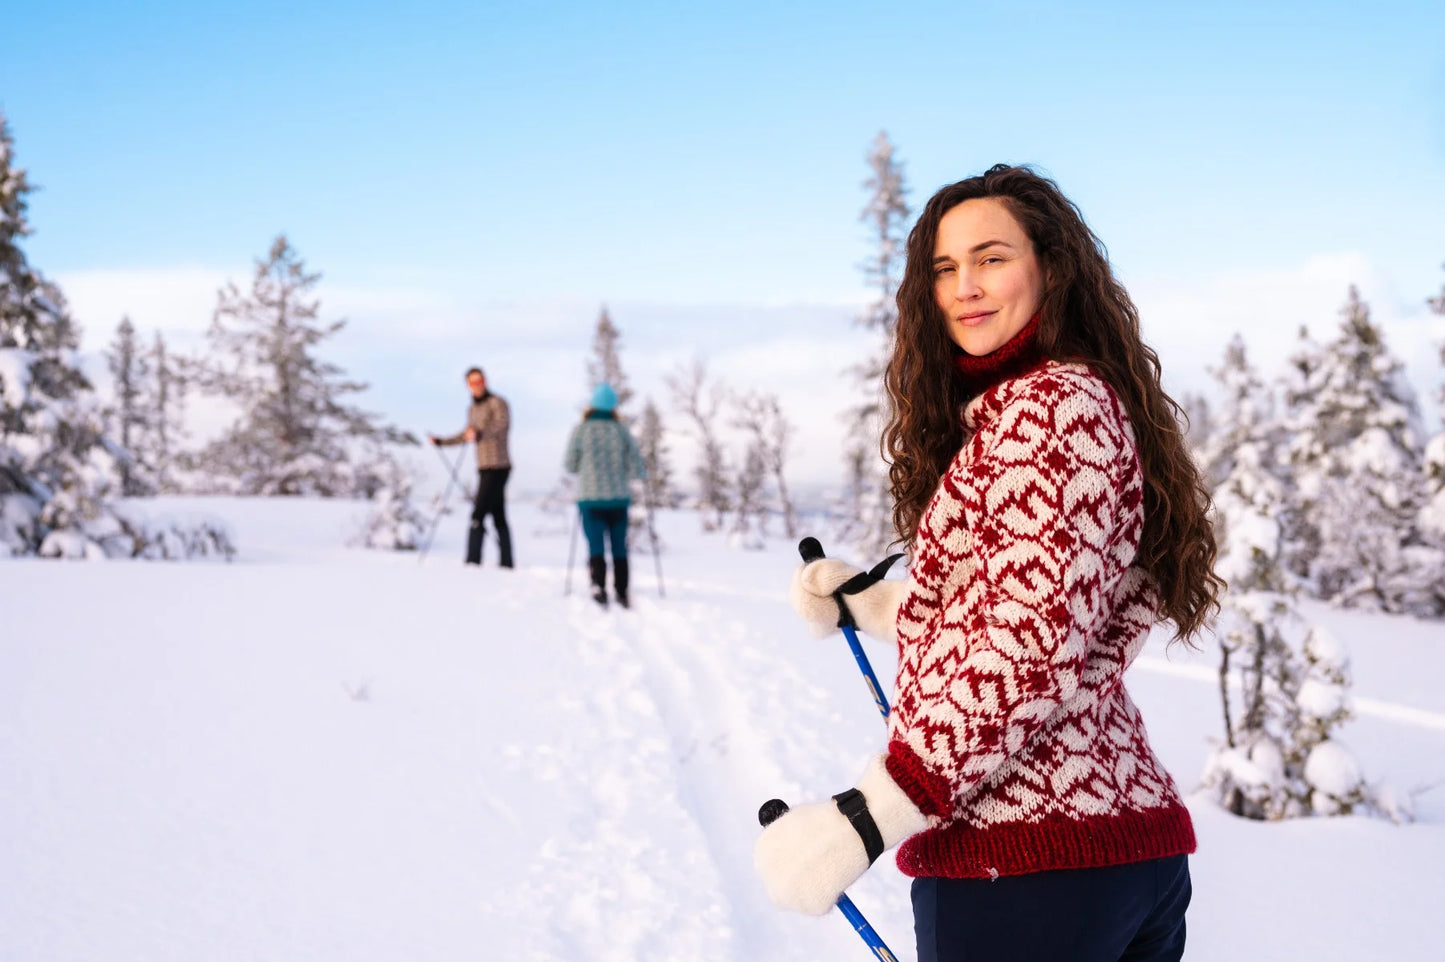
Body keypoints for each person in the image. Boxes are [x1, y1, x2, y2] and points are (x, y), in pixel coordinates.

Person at [754, 165, 1223, 962]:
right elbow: (1045, 607)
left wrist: (866, 816)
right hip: (1105, 852)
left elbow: (1030, 644)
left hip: (1025, 865)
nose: (965, 285)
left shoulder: (1047, 409)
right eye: (944, 268)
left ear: (1050, 266)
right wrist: (868, 606)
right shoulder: (1061, 404)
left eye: (991, 257)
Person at [564, 383, 646, 608]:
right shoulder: (621, 430)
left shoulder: (581, 430)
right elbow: (636, 466)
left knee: (596, 545)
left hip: (590, 498)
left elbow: (570, 464)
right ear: (613, 407)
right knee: (619, 545)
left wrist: (587, 466)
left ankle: (598, 586)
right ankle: (621, 590)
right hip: (618, 498)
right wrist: (636, 473)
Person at [428, 366, 513, 568]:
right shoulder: (472, 409)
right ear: (468, 386)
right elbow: (467, 434)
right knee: (498, 514)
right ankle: (507, 562)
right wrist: (441, 442)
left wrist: (480, 434)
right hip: (483, 466)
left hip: (499, 466)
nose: (478, 386)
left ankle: (472, 561)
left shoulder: (497, 403)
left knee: (478, 513)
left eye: (480, 381)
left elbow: (501, 425)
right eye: (473, 383)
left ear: (486, 381)